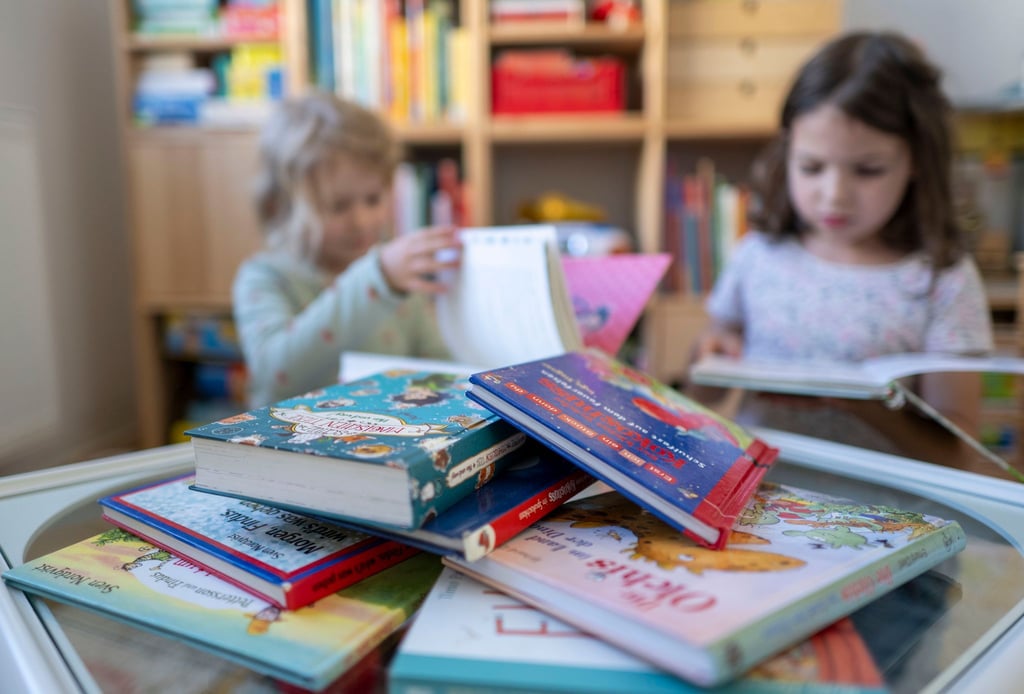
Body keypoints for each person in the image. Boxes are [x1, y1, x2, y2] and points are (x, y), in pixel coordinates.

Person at [692, 32, 996, 469]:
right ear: (788, 151)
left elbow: (959, 455)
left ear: (916, 160)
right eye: (811, 167)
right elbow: (701, 394)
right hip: (758, 496)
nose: (835, 195)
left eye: (868, 170)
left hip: (884, 507)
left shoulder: (943, 278)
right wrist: (709, 356)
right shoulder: (758, 254)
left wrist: (864, 403)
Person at [233, 92, 460, 407]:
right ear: (280, 206)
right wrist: (378, 281)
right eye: (338, 206)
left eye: (373, 199)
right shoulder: (265, 277)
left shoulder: (394, 277)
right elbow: (274, 373)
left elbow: (441, 368)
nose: (361, 221)